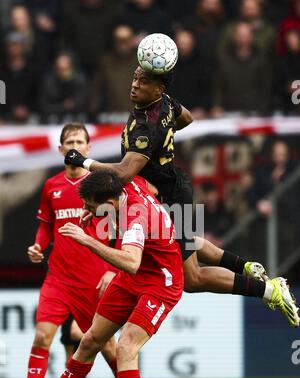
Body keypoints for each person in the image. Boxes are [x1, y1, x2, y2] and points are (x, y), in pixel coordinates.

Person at [63, 66, 299, 328]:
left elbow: (124, 173)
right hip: (167, 190)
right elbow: (187, 118)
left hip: (169, 197)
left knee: (192, 279)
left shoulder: (145, 127)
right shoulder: (164, 103)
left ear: (158, 88)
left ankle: (270, 290)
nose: (135, 84)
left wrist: (84, 161)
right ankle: (244, 266)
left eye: (143, 81)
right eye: (134, 77)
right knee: (184, 241)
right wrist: (164, 135)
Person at [17, 169, 184, 378]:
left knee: (126, 346)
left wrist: (87, 239)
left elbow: (130, 261)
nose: (85, 211)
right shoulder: (130, 184)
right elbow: (151, 189)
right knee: (90, 339)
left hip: (160, 283)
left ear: (110, 201)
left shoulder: (134, 220)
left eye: (90, 206)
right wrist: (96, 213)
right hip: (133, 278)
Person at [8, 122, 144, 378]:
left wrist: (113, 269)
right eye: (70, 141)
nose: (75, 145)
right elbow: (45, 225)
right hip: (58, 276)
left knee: (105, 344)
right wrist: (38, 246)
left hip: (94, 277)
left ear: (88, 149)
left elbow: (120, 230)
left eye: (80, 141)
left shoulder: (101, 188)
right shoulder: (51, 186)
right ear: (60, 149)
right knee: (43, 335)